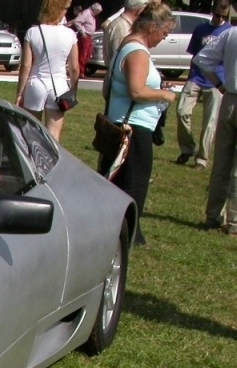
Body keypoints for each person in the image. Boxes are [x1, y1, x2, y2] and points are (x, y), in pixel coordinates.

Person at [101, 0, 178, 246]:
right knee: (133, 186)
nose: (164, 38)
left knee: (118, 183)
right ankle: (128, 235)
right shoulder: (137, 51)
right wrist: (164, 94)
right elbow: (137, 91)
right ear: (152, 27)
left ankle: (122, 232)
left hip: (122, 124)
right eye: (164, 33)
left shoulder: (128, 45)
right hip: (133, 129)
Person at [193, 20, 237, 234]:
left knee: (221, 161)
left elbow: (202, 58)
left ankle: (213, 215)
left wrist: (219, 84)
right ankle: (234, 221)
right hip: (228, 93)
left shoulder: (231, 34)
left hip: (229, 98)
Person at [175, 1, 231, 167]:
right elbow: (194, 55)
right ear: (212, 13)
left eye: (223, 16)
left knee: (210, 123)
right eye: (217, 15)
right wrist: (189, 76)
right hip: (196, 78)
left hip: (216, 82)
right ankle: (187, 148)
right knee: (181, 111)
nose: (220, 19)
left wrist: (224, 82)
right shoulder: (200, 29)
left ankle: (202, 159)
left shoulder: (229, 32)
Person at [16, 0, 80, 141]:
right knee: (53, 136)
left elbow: (26, 66)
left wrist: (20, 93)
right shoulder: (70, 34)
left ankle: (32, 161)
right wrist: (74, 89)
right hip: (59, 86)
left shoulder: (33, 32)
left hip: (36, 83)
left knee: (31, 133)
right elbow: (74, 67)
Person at [102, 0, 147, 75]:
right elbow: (121, 65)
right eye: (146, 11)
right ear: (140, 11)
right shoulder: (123, 30)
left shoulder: (121, 25)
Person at [70, 2, 102, 75]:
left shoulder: (92, 15)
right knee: (82, 55)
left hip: (89, 36)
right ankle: (81, 72)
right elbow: (77, 21)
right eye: (98, 12)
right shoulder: (86, 13)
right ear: (95, 10)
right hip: (85, 36)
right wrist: (82, 32)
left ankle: (82, 70)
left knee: (88, 54)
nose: (98, 13)